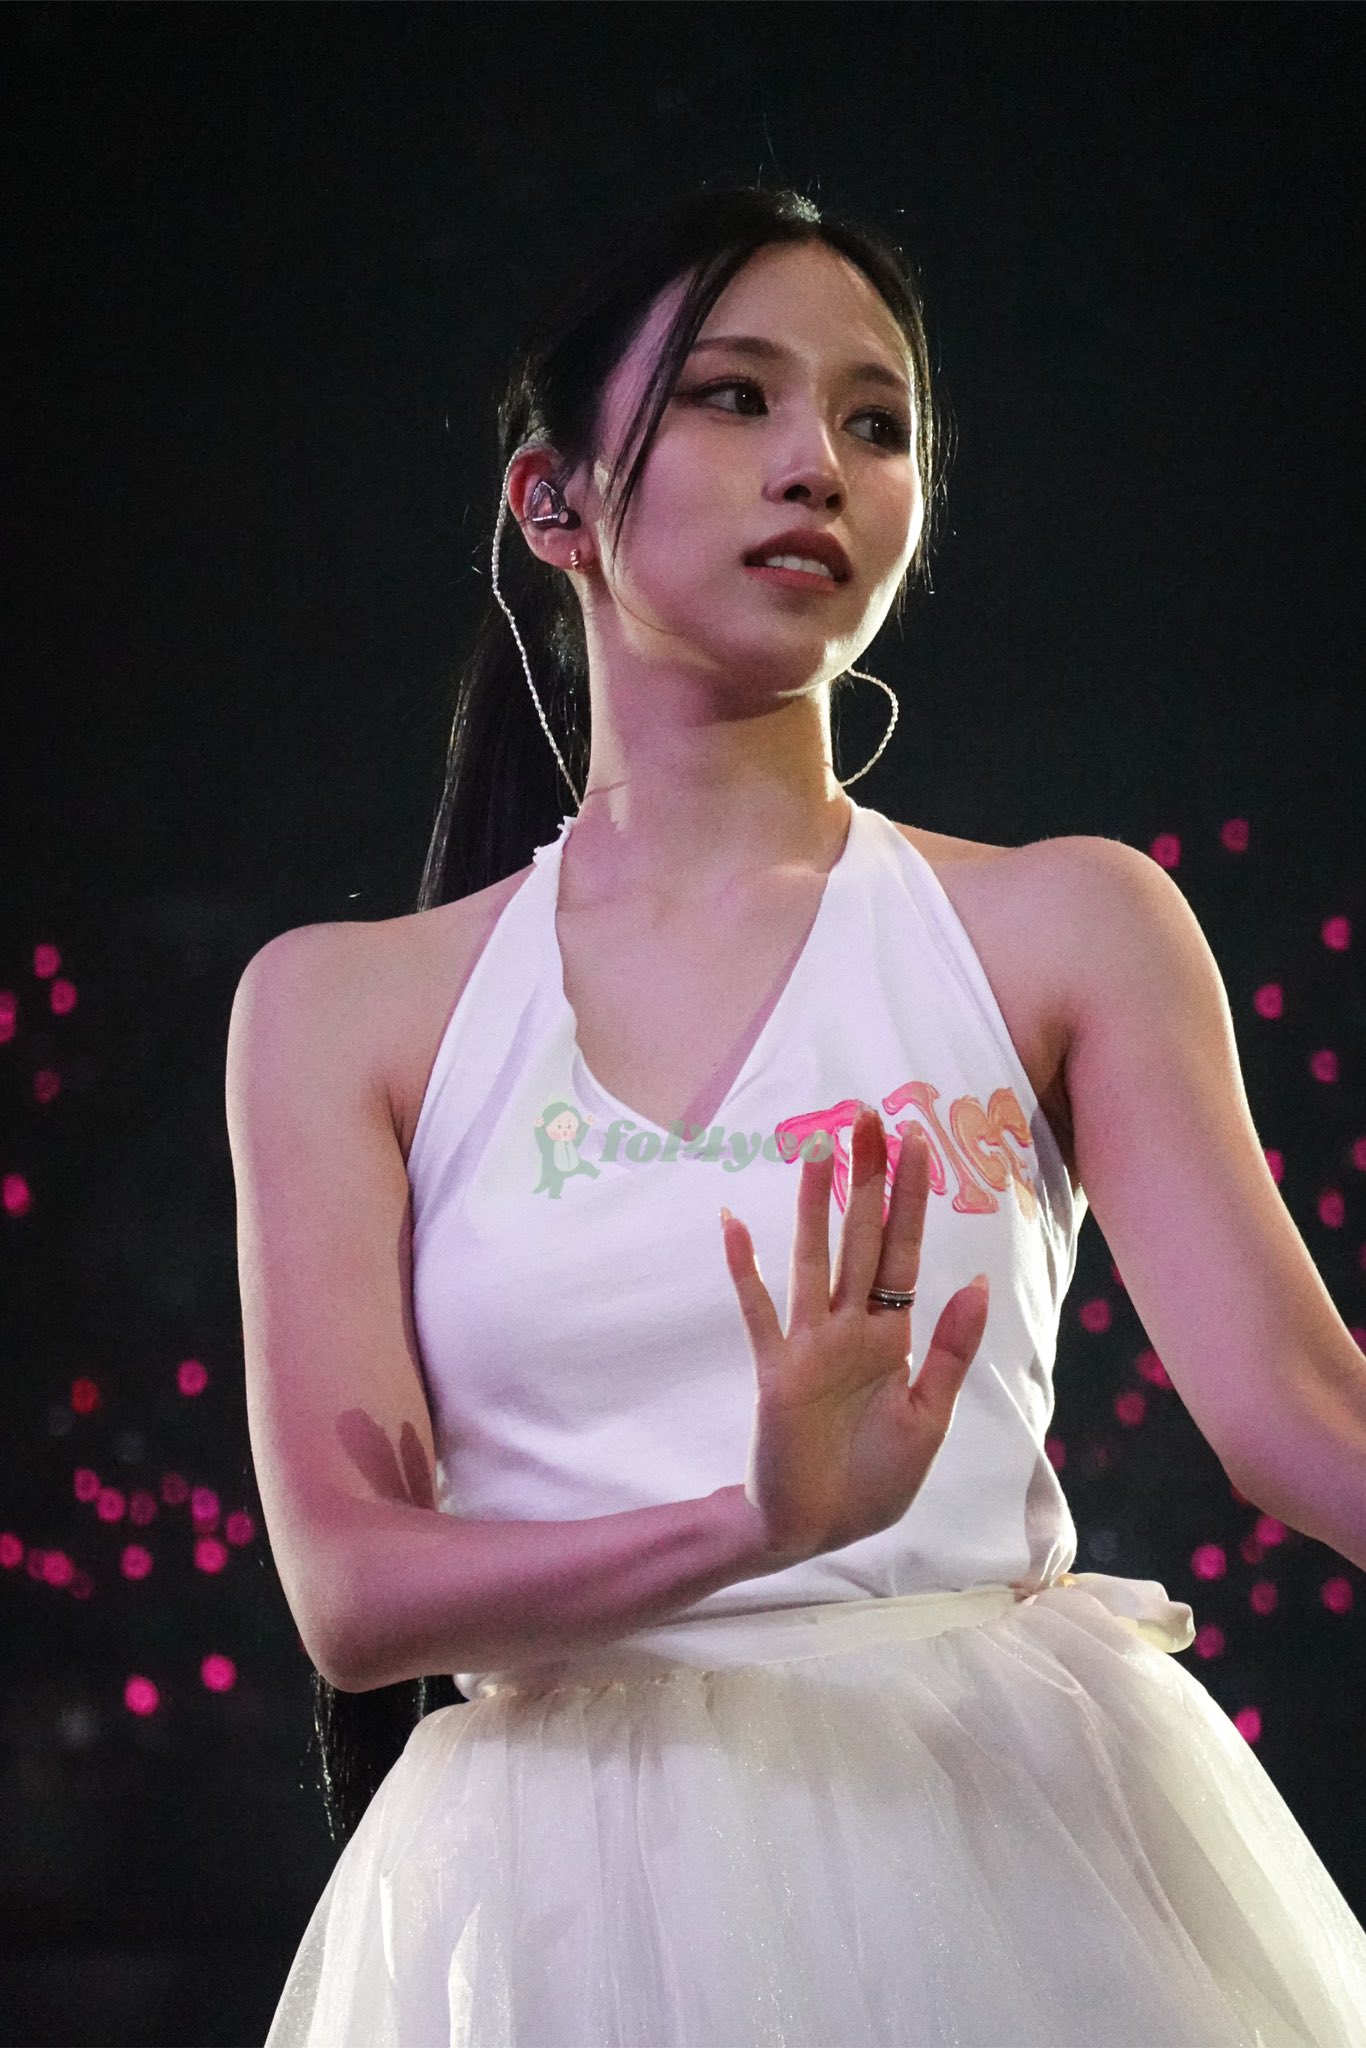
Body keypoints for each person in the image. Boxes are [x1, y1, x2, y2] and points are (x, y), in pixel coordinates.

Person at [227, 181, 1366, 2046]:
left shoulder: (1067, 924)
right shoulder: (344, 1007)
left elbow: (1303, 1418)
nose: (816, 466)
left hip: (999, 1851)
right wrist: (752, 1523)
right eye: (734, 396)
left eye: (875, 420)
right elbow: (353, 1591)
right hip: (556, 1900)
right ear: (554, 503)